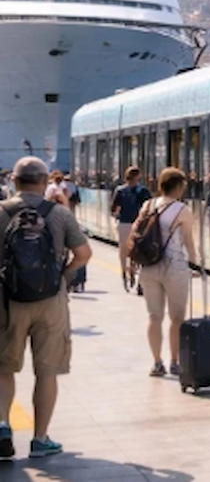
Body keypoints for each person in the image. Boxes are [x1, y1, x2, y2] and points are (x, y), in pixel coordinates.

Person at [0, 157, 92, 460]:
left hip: (7, 300)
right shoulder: (59, 213)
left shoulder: (1, 211)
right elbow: (83, 253)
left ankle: (2, 426)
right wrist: (63, 276)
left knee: (3, 368)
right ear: (44, 182)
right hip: (51, 301)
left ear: (14, 181)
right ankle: (40, 439)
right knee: (46, 372)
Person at [134, 168, 199, 377]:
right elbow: (188, 242)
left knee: (154, 317)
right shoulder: (182, 210)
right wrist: (195, 265)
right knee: (177, 317)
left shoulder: (148, 205)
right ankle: (174, 362)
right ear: (178, 186)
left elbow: (137, 233)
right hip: (174, 267)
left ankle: (156, 362)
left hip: (149, 266)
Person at [112, 166, 152, 294]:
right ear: (138, 176)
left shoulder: (120, 190)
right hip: (138, 224)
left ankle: (124, 272)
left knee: (123, 249)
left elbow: (114, 209)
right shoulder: (143, 191)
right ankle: (134, 272)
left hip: (124, 224)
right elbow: (148, 208)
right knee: (137, 250)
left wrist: (118, 215)